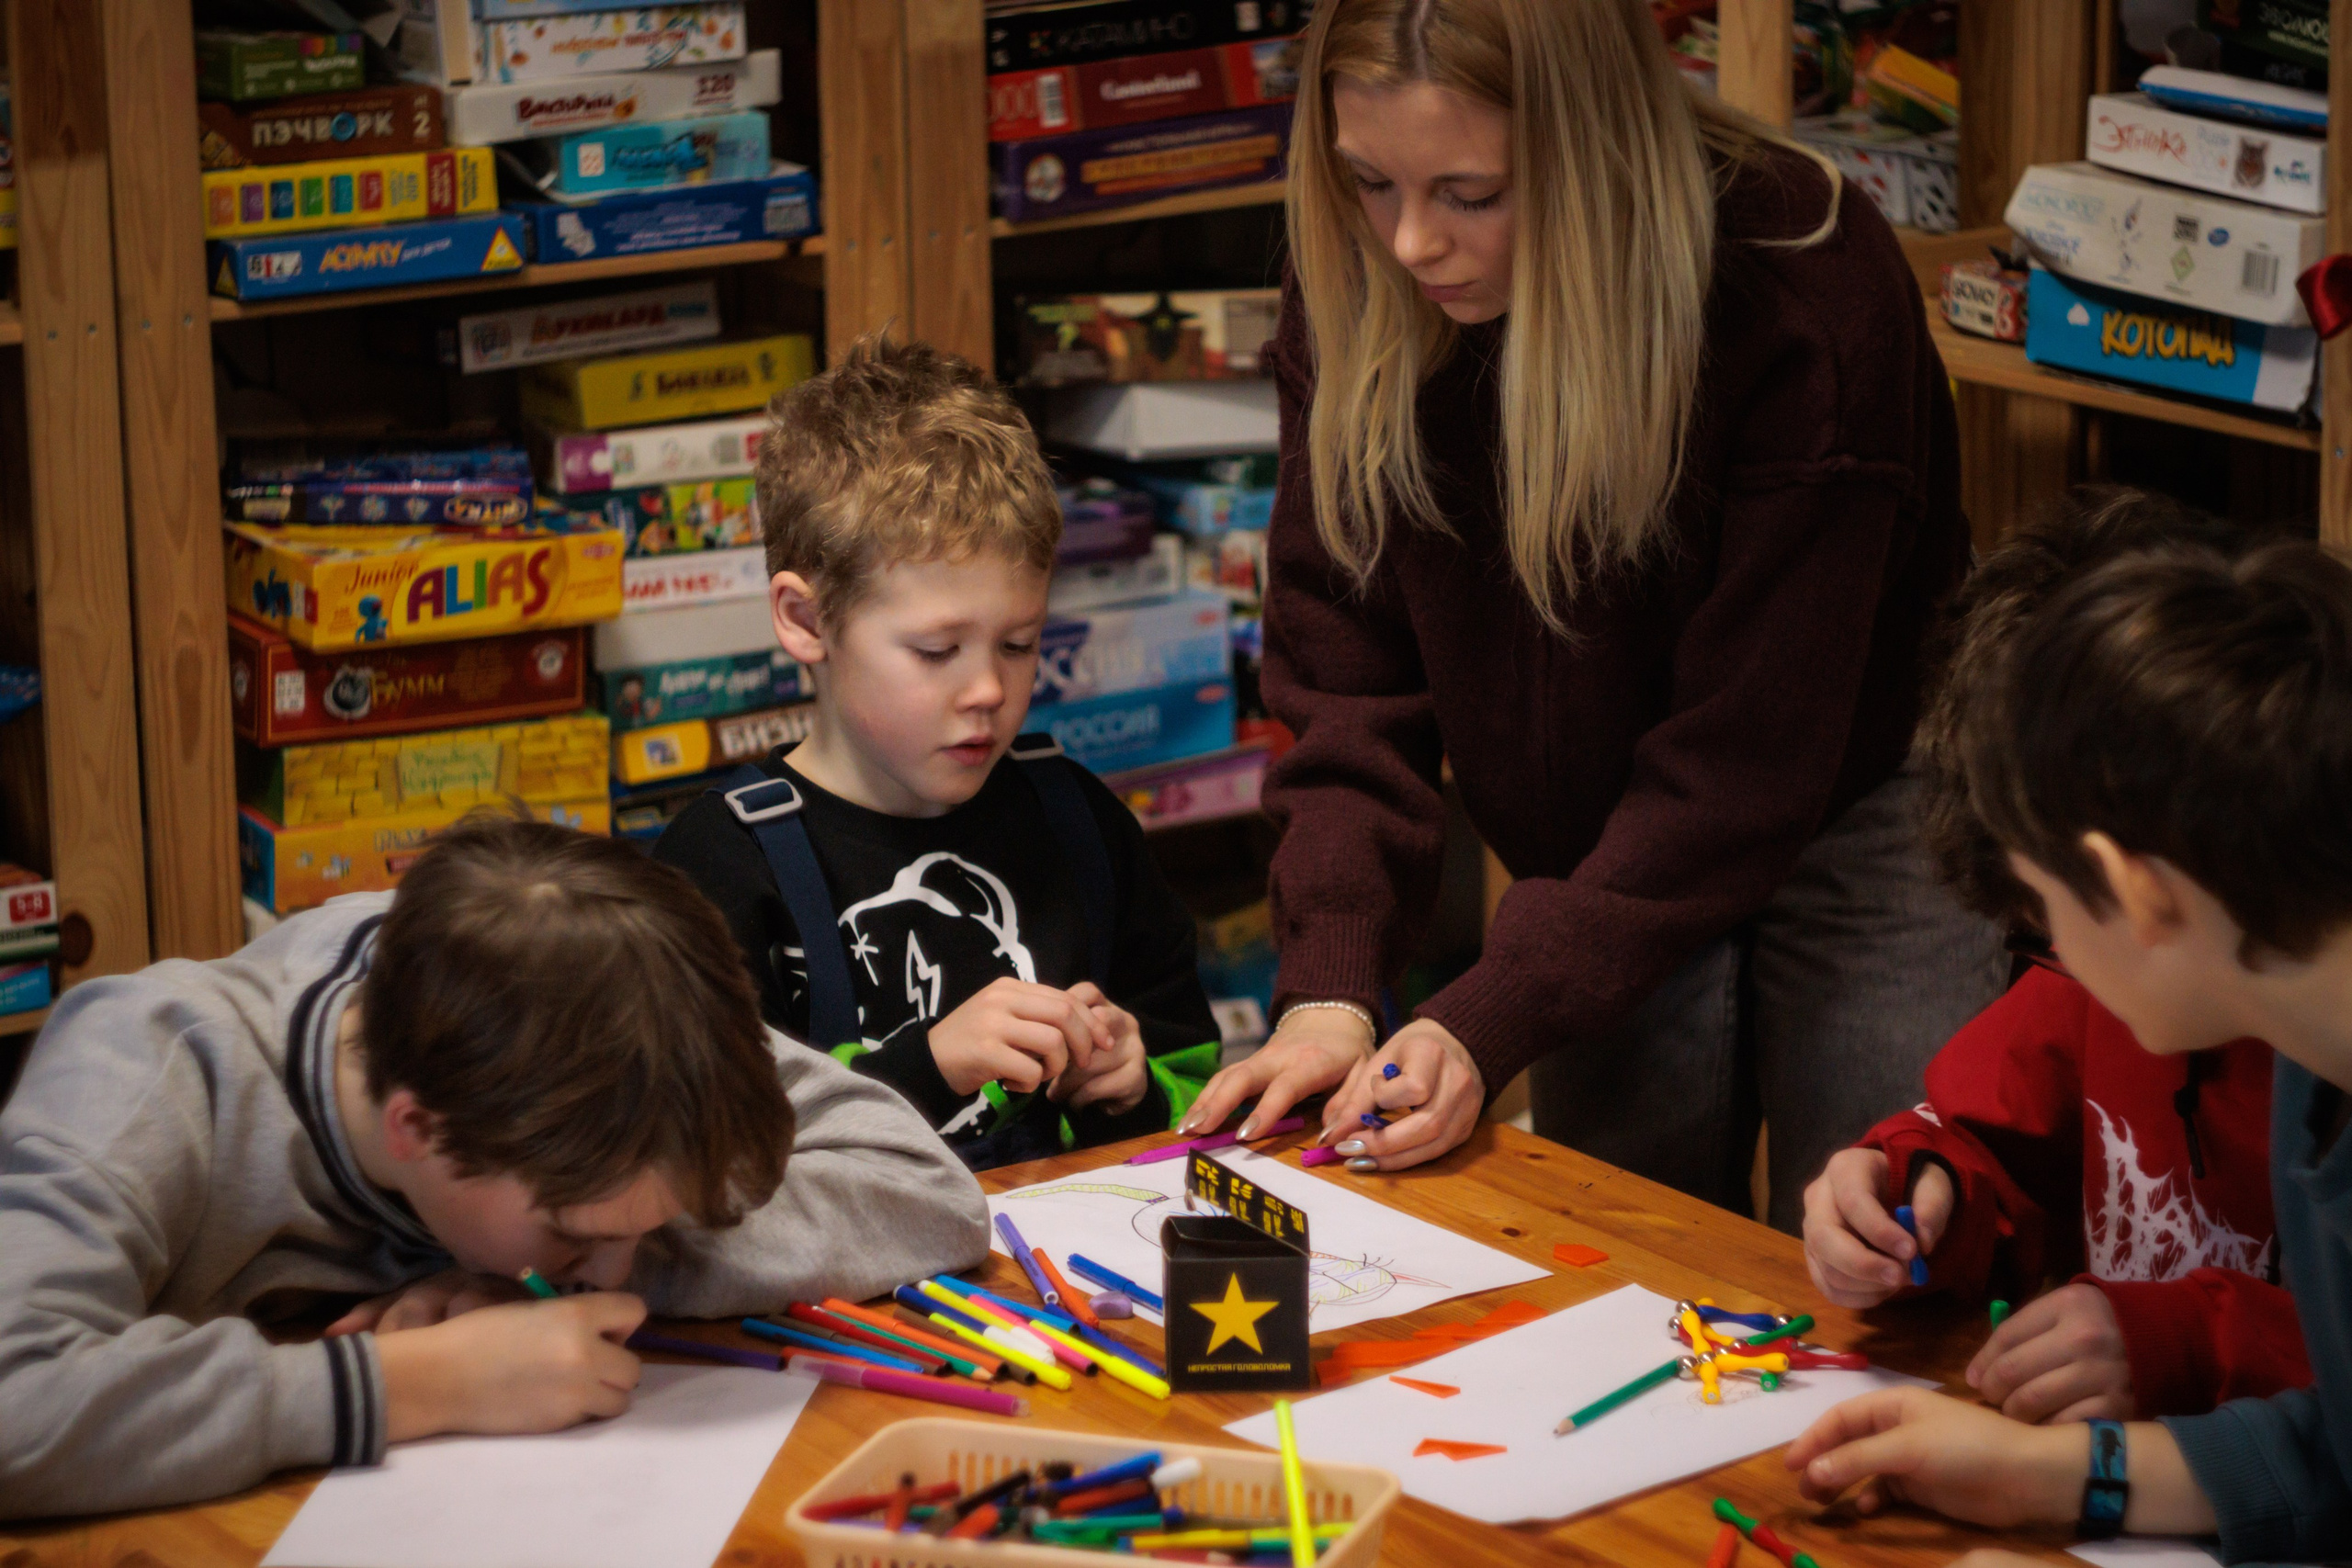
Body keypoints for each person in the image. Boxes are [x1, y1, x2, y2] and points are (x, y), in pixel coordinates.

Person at [1181, 0, 2006, 1226]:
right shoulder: (1359, 272)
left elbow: (1751, 756)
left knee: (1880, 1250)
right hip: (1589, 831)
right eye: (1370, 181)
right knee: (1618, 1241)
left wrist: (1488, 1006)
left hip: (1863, 796)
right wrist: (1334, 981)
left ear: (1596, 151)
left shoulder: (1802, 283)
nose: (1411, 242)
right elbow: (1344, 679)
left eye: (1470, 193)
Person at [0, 815, 990, 1519]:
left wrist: (549, 1274)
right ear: (414, 1130)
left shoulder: (604, 992)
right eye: (574, 1234)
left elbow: (929, 1193)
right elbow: (16, 1407)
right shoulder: (145, 1068)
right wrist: (409, 1383)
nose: (611, 1276)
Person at [1785, 539, 2352, 1567]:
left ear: (2135, 896)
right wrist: (2038, 1476)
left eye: (2040, 911)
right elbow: (2339, 1462)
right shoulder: (2315, 1050)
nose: (2041, 953)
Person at [656, 335, 1221, 1170]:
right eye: (935, 651)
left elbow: (1193, 1085)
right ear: (807, 622)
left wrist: (1130, 1091)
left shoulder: (1081, 822)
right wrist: (930, 1066)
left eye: (1020, 643)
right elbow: (708, 1165)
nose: (988, 689)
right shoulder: (721, 872)